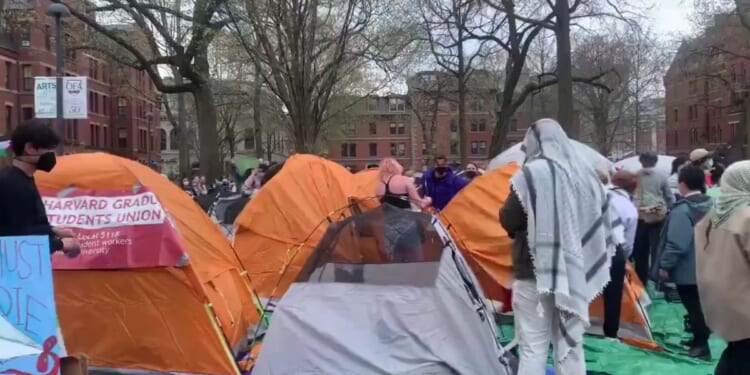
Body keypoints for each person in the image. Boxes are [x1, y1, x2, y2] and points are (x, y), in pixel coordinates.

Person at [499, 119, 624, 374]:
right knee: (570, 344)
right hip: (574, 271)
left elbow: (509, 217)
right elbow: (604, 217)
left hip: (532, 270)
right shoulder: (585, 173)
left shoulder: (531, 174)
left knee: (533, 345)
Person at [695, 160, 750, 374]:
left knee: (737, 356)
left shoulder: (712, 216)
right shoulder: (746, 217)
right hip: (745, 303)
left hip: (724, 308)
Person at [655, 165, 713, 360]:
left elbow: (677, 243)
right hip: (708, 264)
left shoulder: (683, 210)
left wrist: (664, 265)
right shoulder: (712, 205)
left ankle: (701, 345)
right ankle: (698, 339)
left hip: (688, 269)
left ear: (682, 184)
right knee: (701, 306)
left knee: (693, 307)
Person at [0, 120, 79, 257]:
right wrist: (61, 244)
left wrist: (53, 230)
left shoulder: (24, 178)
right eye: (49, 149)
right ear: (30, 148)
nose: (52, 156)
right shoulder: (12, 184)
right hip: (16, 271)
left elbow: (28, 223)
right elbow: (18, 237)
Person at [603, 170, 639, 340]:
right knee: (613, 296)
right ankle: (610, 332)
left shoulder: (596, 196)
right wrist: (624, 258)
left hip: (585, 250)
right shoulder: (629, 208)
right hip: (614, 253)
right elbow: (628, 243)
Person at [633, 152, 674, 286]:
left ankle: (641, 279)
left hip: (640, 216)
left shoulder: (635, 176)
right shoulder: (662, 176)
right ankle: (656, 277)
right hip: (657, 215)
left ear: (640, 161)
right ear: (655, 162)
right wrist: (669, 209)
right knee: (657, 247)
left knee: (640, 250)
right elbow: (669, 196)